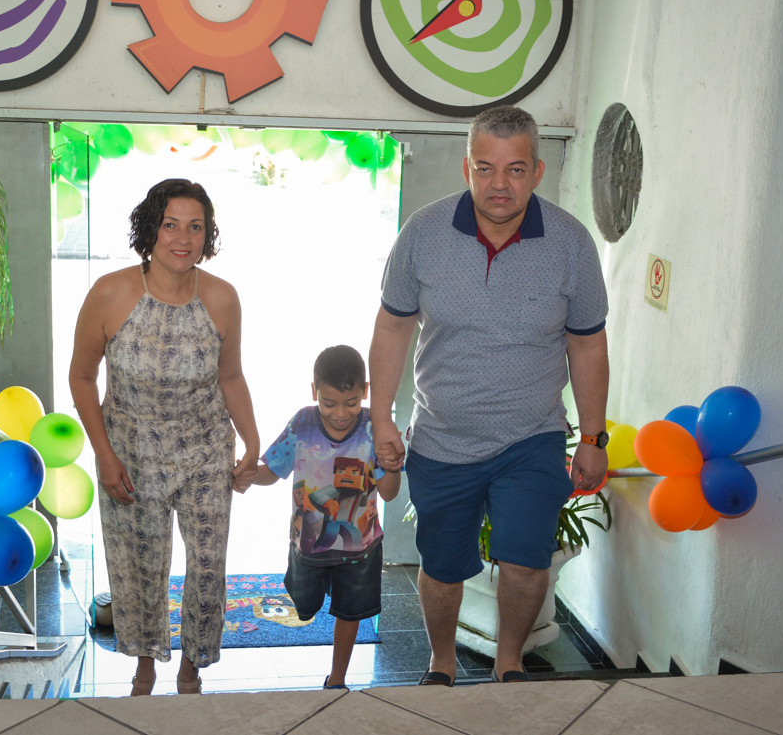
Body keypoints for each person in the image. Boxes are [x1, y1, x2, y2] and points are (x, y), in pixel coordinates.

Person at [369, 105, 609, 686]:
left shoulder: (571, 244)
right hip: (442, 438)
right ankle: (442, 661)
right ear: (467, 168)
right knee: (443, 566)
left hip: (532, 437)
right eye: (486, 168)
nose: (500, 184)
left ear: (538, 171)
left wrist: (594, 436)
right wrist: (380, 418)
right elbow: (393, 327)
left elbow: (588, 345)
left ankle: (509, 663)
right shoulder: (423, 234)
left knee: (526, 562)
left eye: (516, 169)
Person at [69, 178, 260, 696]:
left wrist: (252, 442)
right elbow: (81, 378)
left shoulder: (222, 298)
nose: (183, 237)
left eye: (195, 227)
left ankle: (192, 667)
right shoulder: (110, 293)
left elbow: (231, 376)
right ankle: (145, 666)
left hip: (205, 448)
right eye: (171, 224)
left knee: (208, 566)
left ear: (207, 235)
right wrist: (104, 456)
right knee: (141, 566)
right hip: (131, 451)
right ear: (150, 228)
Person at [250, 345, 402, 689]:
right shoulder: (303, 422)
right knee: (304, 604)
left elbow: (390, 493)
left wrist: (392, 467)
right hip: (309, 545)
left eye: (351, 402)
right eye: (329, 403)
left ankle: (337, 678)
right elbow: (271, 471)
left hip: (360, 548)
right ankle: (311, 596)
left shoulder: (375, 428)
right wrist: (245, 474)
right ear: (313, 392)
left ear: (365, 392)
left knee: (350, 611)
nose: (340, 413)